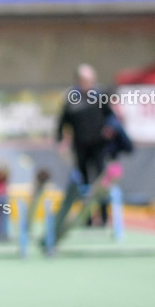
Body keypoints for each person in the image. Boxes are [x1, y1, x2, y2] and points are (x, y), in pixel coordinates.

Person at [56, 64, 115, 226]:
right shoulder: (71, 97)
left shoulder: (100, 95)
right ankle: (87, 218)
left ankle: (103, 217)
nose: (87, 83)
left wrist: (111, 130)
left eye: (90, 80)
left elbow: (111, 117)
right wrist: (61, 139)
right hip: (80, 146)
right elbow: (63, 121)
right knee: (83, 182)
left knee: (100, 181)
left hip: (98, 146)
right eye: (84, 80)